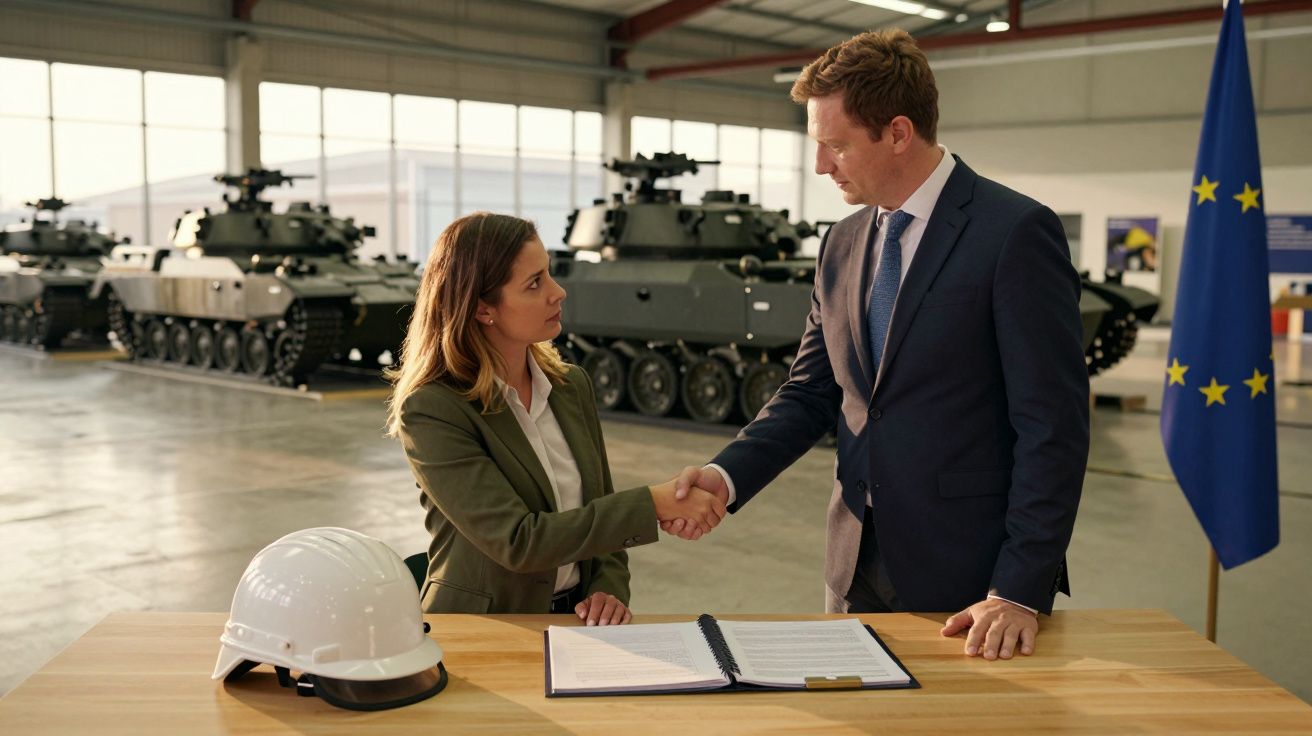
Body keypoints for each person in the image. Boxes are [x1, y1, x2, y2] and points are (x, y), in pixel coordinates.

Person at [667, 29, 1089, 660]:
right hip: (854, 563)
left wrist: (1019, 588)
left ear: (897, 132)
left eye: (835, 145)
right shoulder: (841, 242)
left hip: (973, 583)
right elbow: (811, 392)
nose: (820, 166)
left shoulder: (1014, 233)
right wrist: (727, 477)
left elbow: (1051, 426)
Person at [387, 212, 725, 625]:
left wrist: (608, 586)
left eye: (549, 274)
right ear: (482, 309)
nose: (558, 292)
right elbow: (519, 541)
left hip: (576, 621)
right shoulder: (434, 409)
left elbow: (599, 509)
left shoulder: (570, 386)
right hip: (483, 629)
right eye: (535, 283)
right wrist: (653, 504)